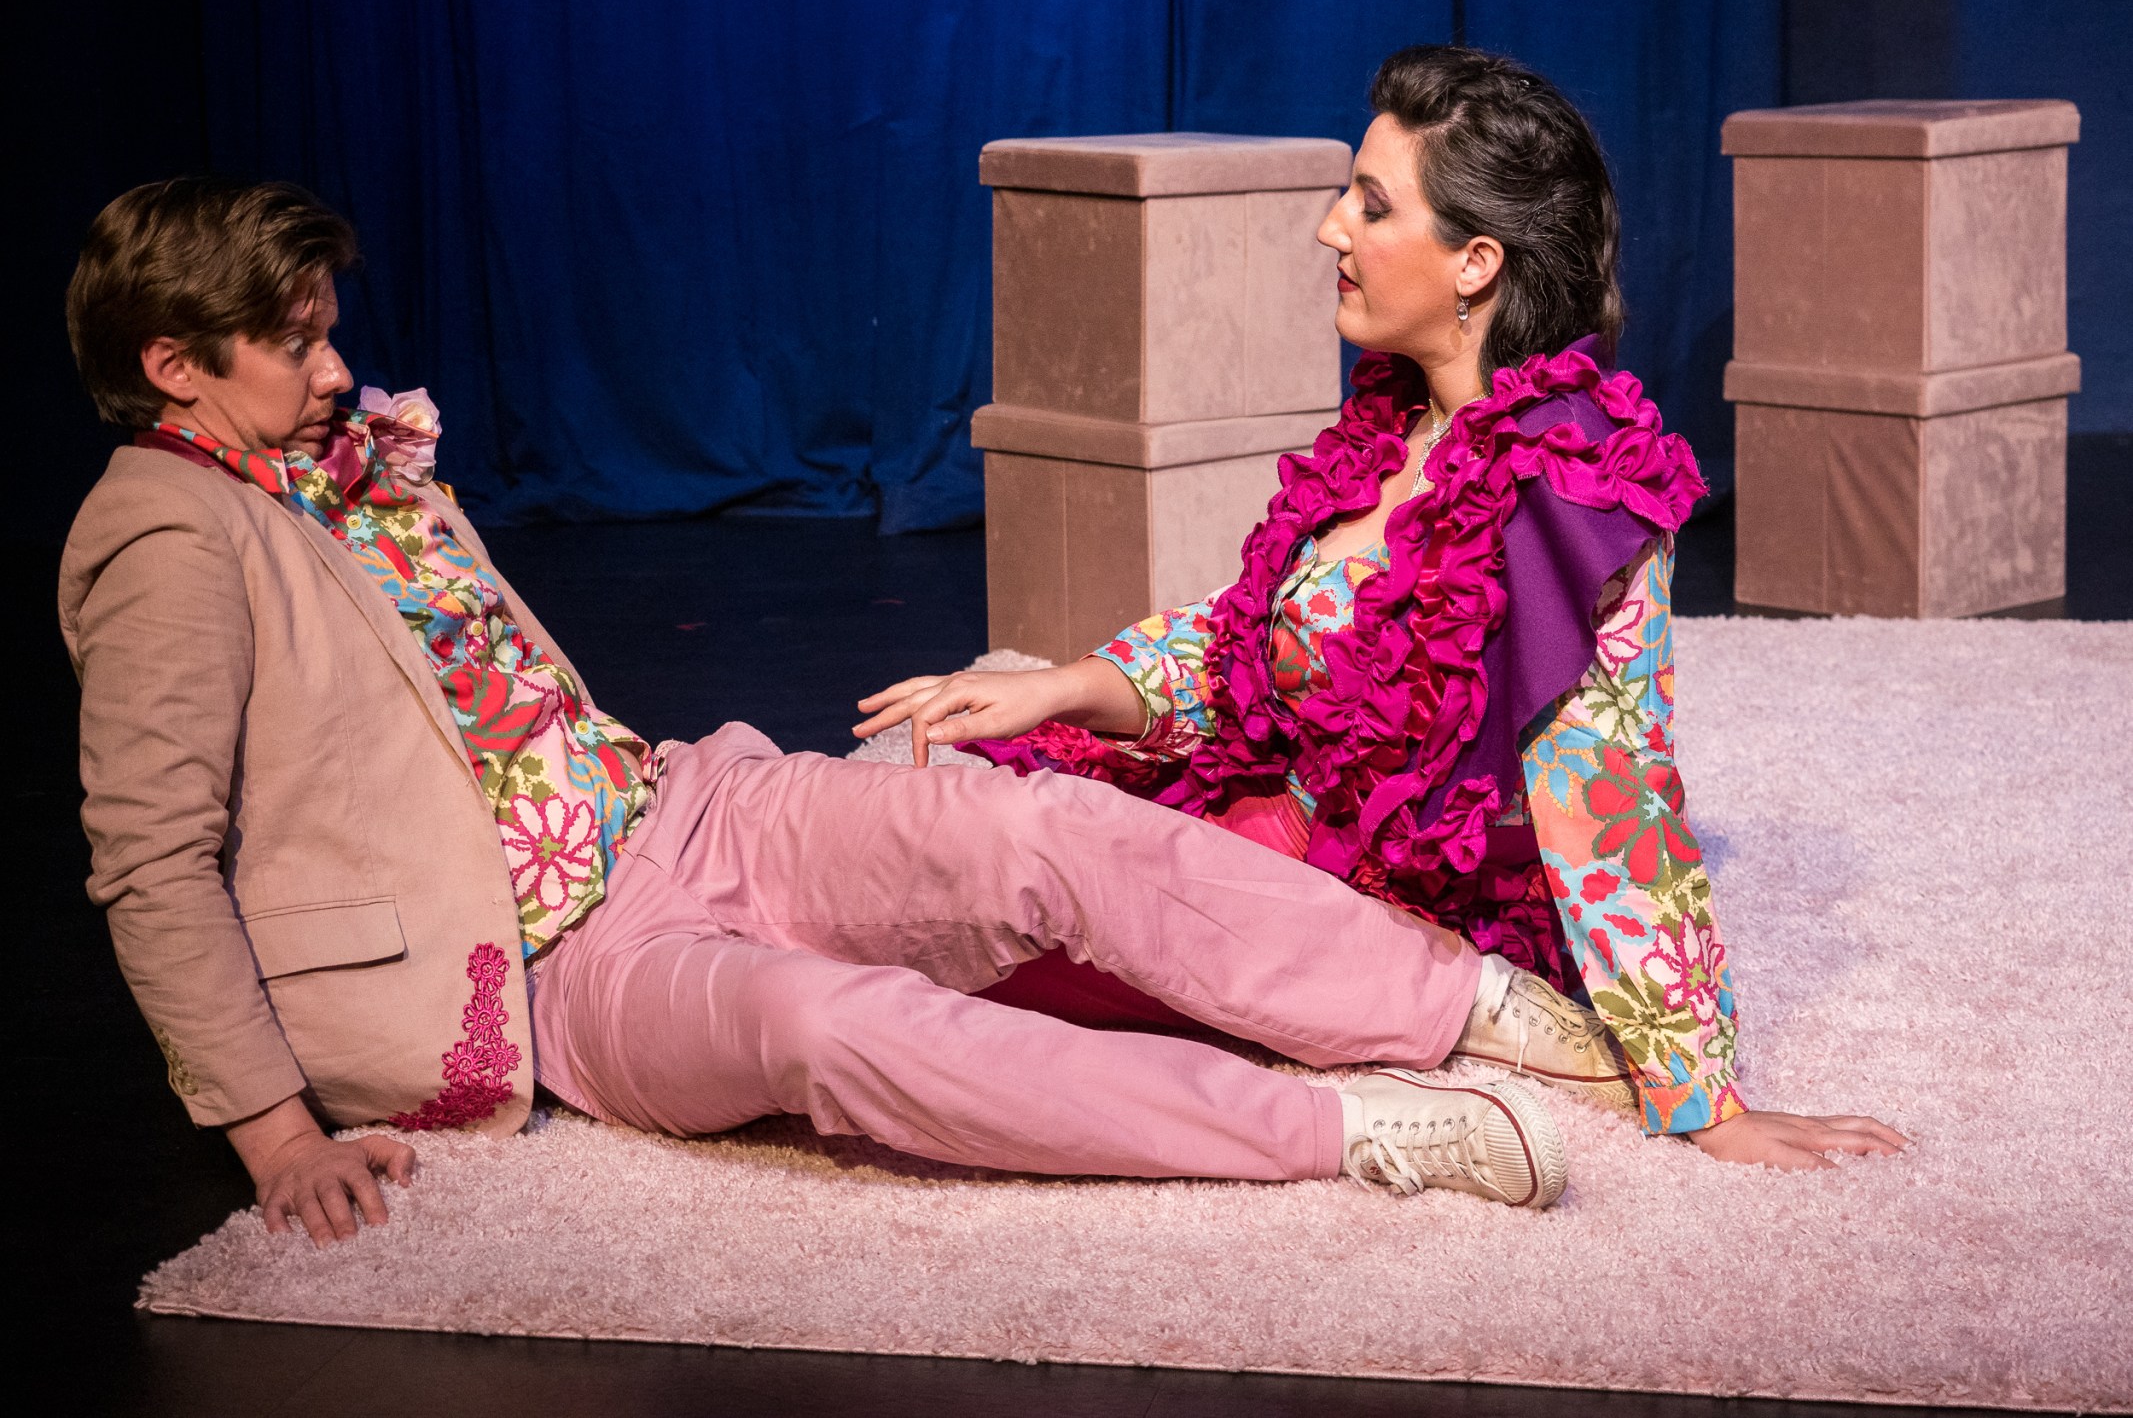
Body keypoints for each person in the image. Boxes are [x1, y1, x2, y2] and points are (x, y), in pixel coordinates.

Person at [55, 176, 1704, 1251]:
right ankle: (1342, 1124)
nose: (332, 369)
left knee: (1032, 823)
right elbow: (149, 862)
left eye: (325, 331)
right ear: (175, 364)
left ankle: (1470, 1004)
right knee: (832, 1030)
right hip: (552, 959)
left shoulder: (340, 463)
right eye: (289, 343)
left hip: (681, 803)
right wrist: (275, 1132)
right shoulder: (162, 534)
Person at [856, 46, 1907, 1172]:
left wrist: (1705, 1099)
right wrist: (1058, 687)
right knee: (925, 832)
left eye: (1370, 205)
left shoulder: (1567, 490)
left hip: (1348, 913)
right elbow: (1248, 644)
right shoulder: (1396, 424)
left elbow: (1611, 790)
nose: (1330, 230)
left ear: (1476, 262)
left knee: (949, 937)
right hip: (1261, 830)